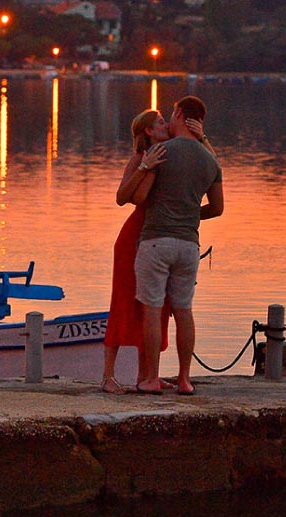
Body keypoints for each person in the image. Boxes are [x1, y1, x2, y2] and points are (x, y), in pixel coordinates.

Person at [102, 109, 215, 394]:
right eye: (161, 122)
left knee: (155, 308)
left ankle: (146, 374)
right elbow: (122, 198)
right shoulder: (144, 158)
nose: (167, 124)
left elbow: (212, 166)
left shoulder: (169, 156)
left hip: (159, 235)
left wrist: (202, 138)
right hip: (135, 237)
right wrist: (144, 168)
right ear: (149, 131)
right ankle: (107, 376)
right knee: (125, 303)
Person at [131, 96, 223, 396]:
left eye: (171, 114)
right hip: (188, 244)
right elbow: (218, 208)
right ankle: (184, 379)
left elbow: (140, 198)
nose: (168, 120)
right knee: (184, 309)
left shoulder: (162, 151)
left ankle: (152, 378)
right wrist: (188, 213)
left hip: (156, 240)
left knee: (153, 310)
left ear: (181, 114)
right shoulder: (211, 160)